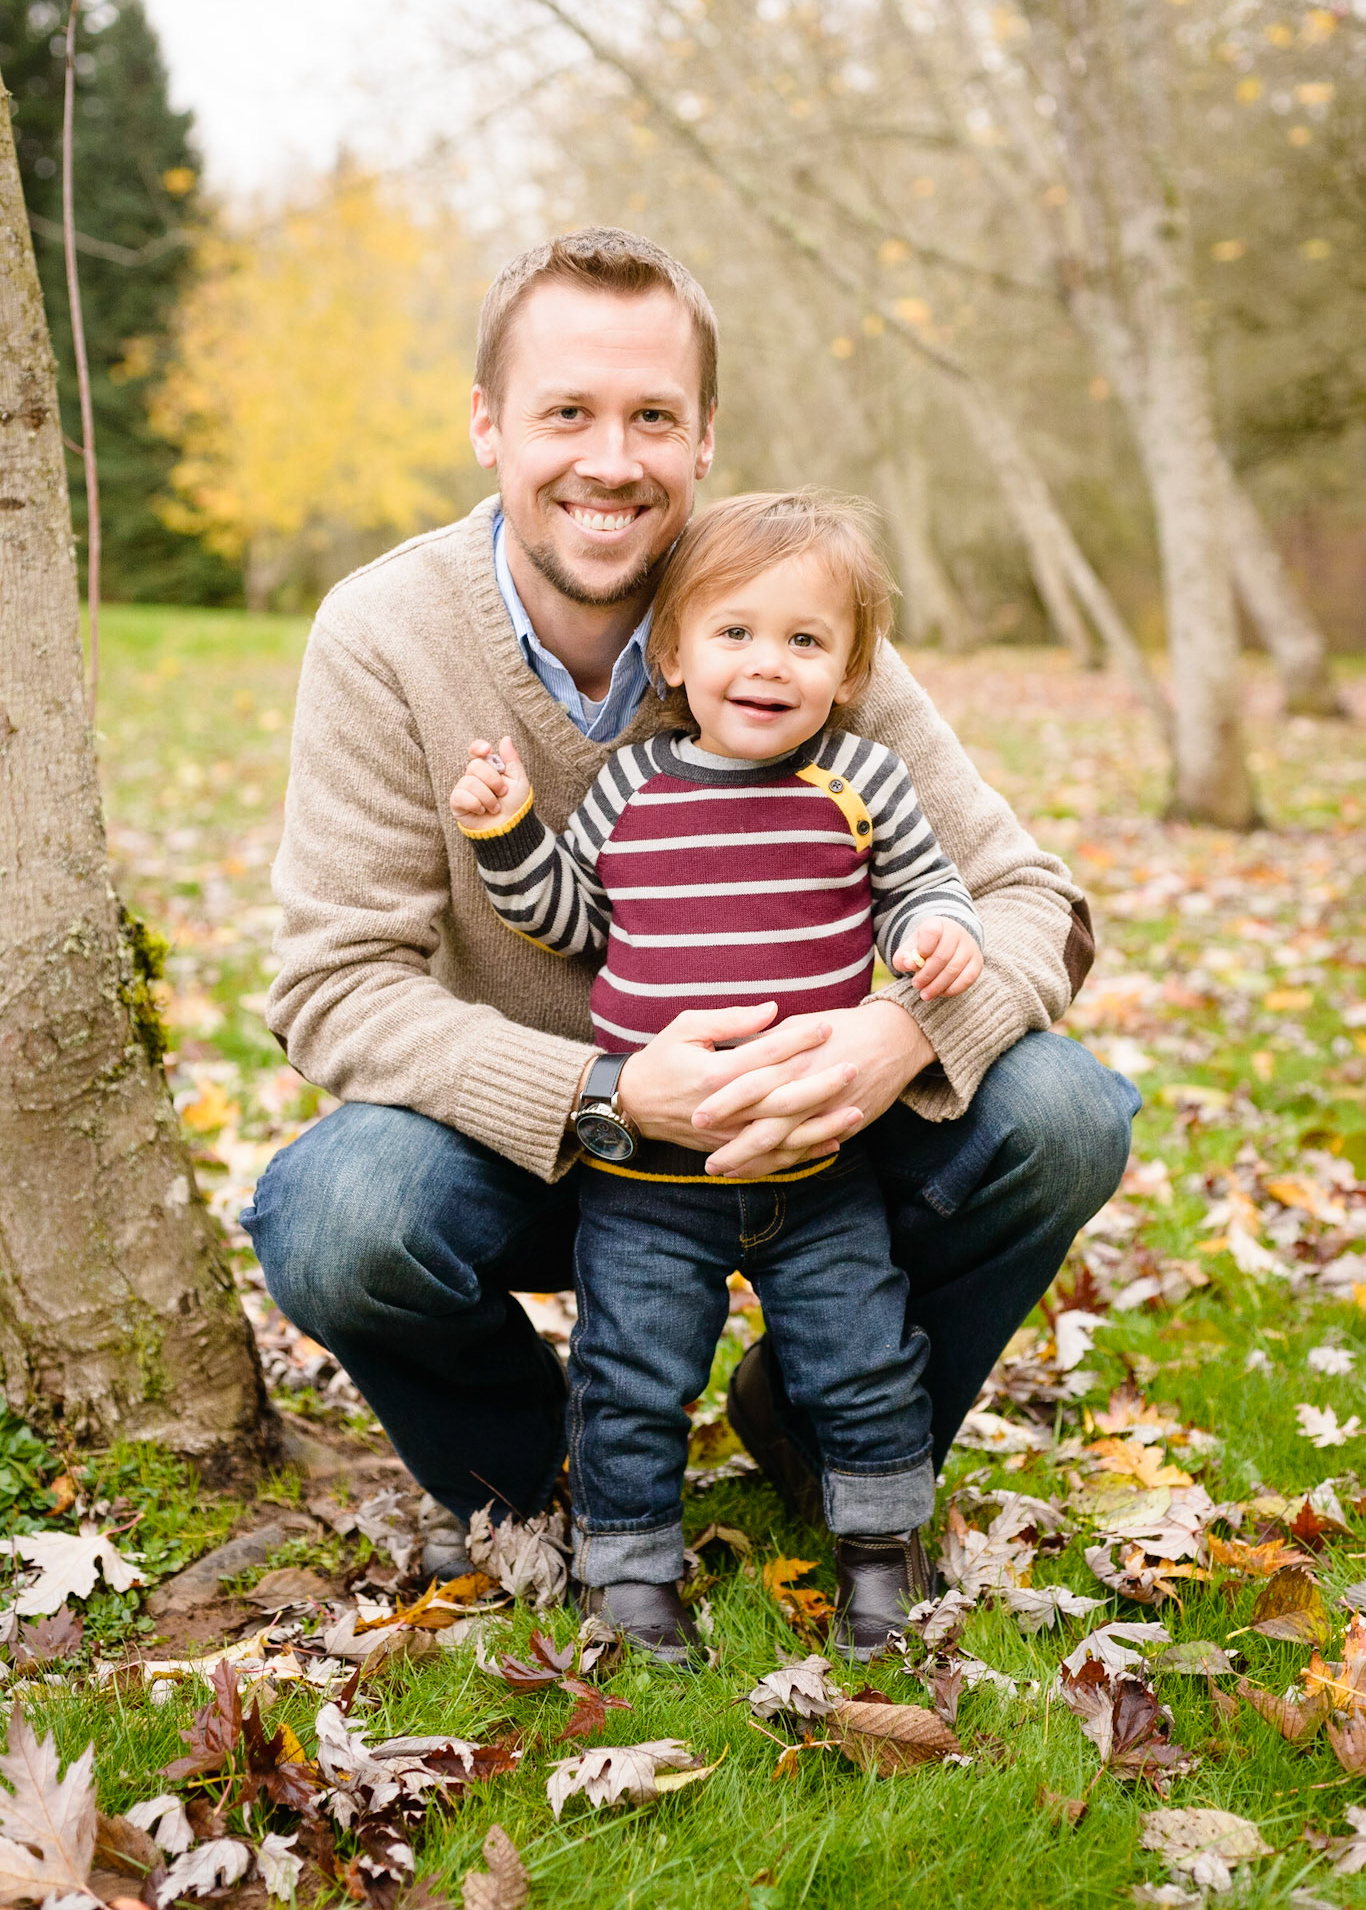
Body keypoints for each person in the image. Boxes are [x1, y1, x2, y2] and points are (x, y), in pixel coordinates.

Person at [242, 226, 1139, 1635]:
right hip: (544, 1146)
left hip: (819, 1137)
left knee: (1065, 1115)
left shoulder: (785, 614)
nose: (610, 460)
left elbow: (1036, 903)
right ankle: (543, 1479)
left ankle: (823, 1426)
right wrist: (604, 1091)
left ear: (703, 436)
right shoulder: (383, 632)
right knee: (336, 1216)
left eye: (651, 417)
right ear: (487, 424)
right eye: (566, 412)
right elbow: (334, 984)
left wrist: (896, 1033)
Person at [450, 488, 984, 1660]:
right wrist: (508, 831)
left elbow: (923, 884)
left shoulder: (858, 778)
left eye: (805, 639)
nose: (768, 662)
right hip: (648, 1173)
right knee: (630, 1370)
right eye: (734, 632)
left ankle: (880, 1553)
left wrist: (937, 933)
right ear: (674, 654)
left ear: (849, 670)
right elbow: (572, 919)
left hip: (819, 1161)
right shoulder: (633, 787)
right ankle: (630, 1570)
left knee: (861, 1355)